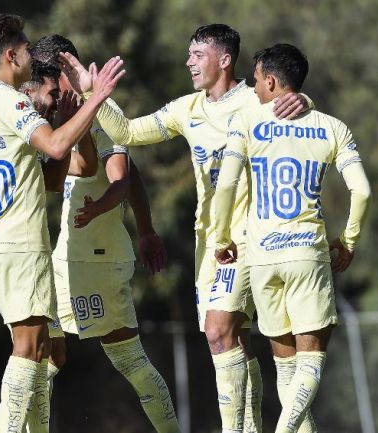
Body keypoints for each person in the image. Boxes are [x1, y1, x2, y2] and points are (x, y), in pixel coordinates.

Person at [59, 24, 312, 433]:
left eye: (198, 54)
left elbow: (295, 103)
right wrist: (93, 93)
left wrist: (302, 99)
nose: (189, 62)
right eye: (189, 54)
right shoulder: (186, 110)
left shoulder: (255, 100)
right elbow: (126, 133)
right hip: (209, 242)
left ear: (225, 60)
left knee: (217, 332)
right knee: (236, 344)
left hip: (250, 238)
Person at [0, 13, 125, 433]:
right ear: (11, 55)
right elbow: (57, 147)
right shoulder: (13, 101)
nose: (28, 54)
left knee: (41, 351)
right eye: (24, 48)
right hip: (22, 244)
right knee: (31, 347)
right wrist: (97, 99)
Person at [21, 34, 179, 433]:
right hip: (64, 256)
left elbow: (123, 177)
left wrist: (111, 213)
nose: (53, 96)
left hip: (98, 257)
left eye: (55, 83)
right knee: (46, 357)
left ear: (65, 68)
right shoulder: (47, 117)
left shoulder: (101, 109)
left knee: (129, 360)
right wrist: (146, 230)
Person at [212, 43, 372, 433]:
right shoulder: (333, 127)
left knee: (287, 371)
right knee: (310, 363)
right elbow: (363, 191)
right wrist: (348, 240)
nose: (253, 89)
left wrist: (221, 238)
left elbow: (227, 184)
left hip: (262, 258)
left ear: (270, 81)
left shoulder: (246, 122)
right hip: (306, 255)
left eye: (256, 82)